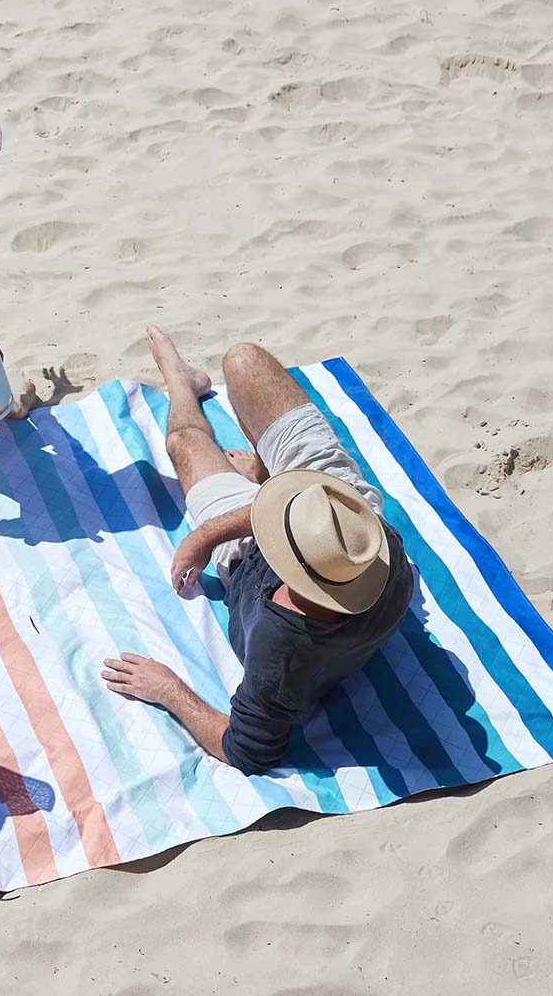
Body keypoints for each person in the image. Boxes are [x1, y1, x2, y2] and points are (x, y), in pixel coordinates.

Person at [102, 327, 415, 775]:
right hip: (335, 501)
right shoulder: (369, 546)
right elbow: (319, 512)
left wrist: (169, 690)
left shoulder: (279, 652)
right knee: (243, 361)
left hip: (252, 555)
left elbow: (246, 752)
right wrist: (207, 533)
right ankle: (265, 472)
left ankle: (181, 383)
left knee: (184, 444)